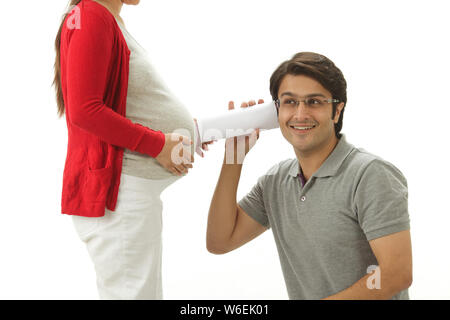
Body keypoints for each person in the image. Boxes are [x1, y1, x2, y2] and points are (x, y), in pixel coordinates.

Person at [206, 52, 413, 300]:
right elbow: (220, 241)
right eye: (289, 102)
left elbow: (396, 273)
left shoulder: (370, 174)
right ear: (276, 112)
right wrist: (234, 157)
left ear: (337, 111)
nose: (300, 114)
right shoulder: (275, 182)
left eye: (314, 102)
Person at [53, 0, 212, 299]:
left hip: (128, 196)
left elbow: (128, 105)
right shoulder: (91, 14)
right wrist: (158, 144)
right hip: (119, 195)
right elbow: (85, 110)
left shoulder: (105, 18)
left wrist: (186, 135)